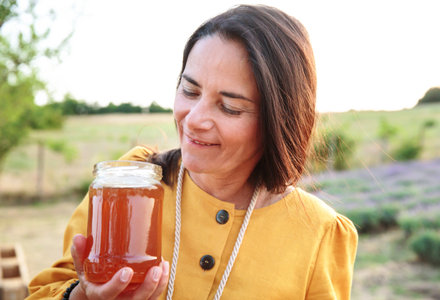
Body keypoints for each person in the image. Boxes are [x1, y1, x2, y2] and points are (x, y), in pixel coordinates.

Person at [27, 4, 358, 300]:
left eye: (229, 108)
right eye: (189, 90)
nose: (194, 119)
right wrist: (80, 297)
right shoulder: (130, 183)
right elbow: (44, 291)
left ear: (278, 121)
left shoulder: (321, 233)